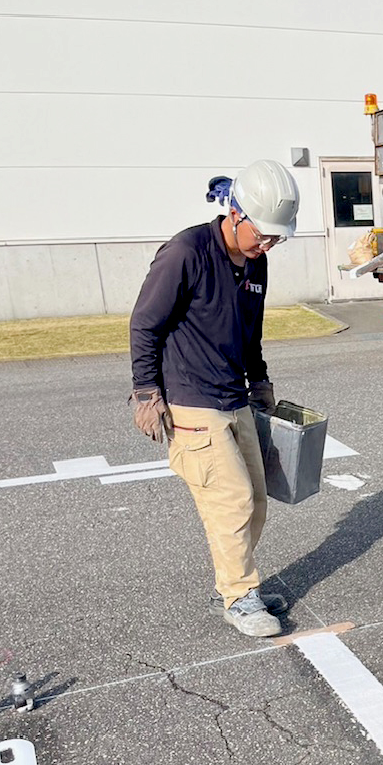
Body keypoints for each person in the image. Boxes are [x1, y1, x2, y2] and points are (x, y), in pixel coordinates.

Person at [129, 159, 300, 638]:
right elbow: (145, 323)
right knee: (232, 500)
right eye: (263, 235)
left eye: (276, 238)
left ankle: (240, 583)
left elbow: (251, 333)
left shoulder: (257, 262)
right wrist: (146, 391)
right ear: (236, 213)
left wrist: (260, 380)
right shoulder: (186, 252)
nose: (268, 245)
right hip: (190, 397)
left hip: (233, 395)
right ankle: (239, 594)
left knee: (259, 499)